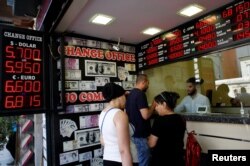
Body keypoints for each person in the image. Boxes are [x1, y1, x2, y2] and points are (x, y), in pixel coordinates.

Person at [99, 83, 138, 166]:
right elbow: (124, 150)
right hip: (122, 161)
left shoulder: (103, 113)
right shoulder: (119, 115)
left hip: (108, 159)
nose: (126, 99)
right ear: (119, 96)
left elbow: (102, 140)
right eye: (124, 96)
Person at [148, 91, 186, 166]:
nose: (155, 108)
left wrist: (148, 139)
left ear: (164, 104)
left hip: (162, 160)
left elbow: (151, 144)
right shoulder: (180, 119)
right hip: (177, 159)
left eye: (157, 105)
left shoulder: (160, 120)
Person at [125, 74, 156, 166]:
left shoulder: (130, 95)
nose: (148, 86)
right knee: (144, 162)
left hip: (133, 133)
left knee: (138, 161)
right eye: (148, 83)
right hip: (140, 135)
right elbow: (145, 115)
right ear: (143, 82)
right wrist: (153, 106)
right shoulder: (140, 94)